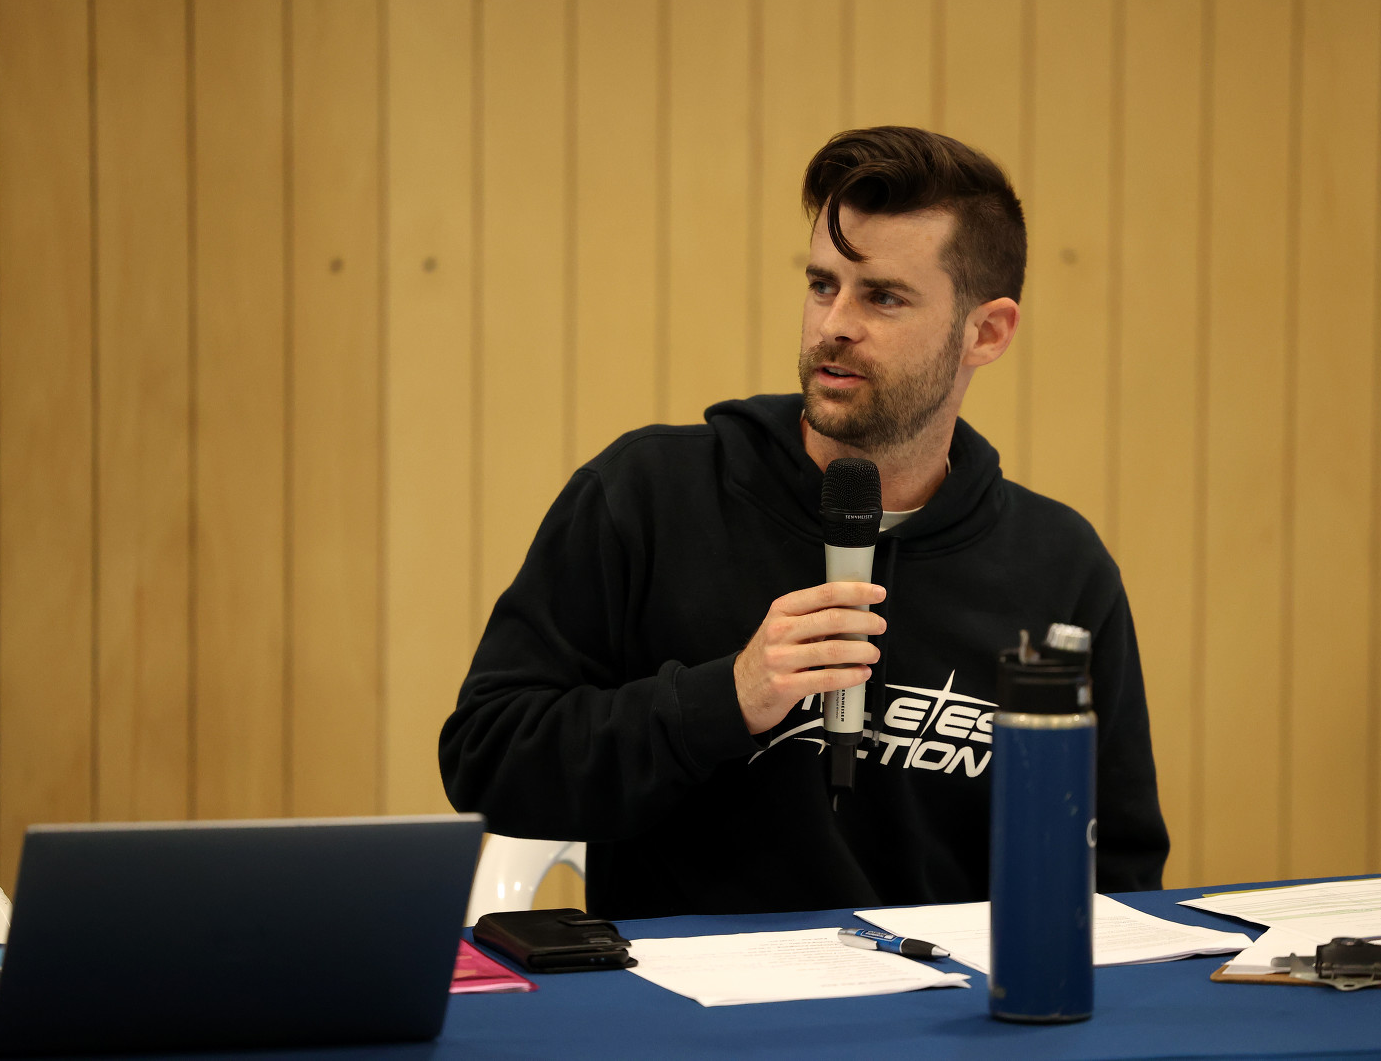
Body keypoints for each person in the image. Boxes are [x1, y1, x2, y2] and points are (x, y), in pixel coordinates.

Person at [441, 126, 1168, 920]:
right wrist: (725, 697)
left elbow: (1117, 872)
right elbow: (487, 758)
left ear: (985, 332)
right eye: (823, 285)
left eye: (882, 297)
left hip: (951, 994)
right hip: (691, 991)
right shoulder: (648, 495)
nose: (834, 324)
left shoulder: (1059, 567)